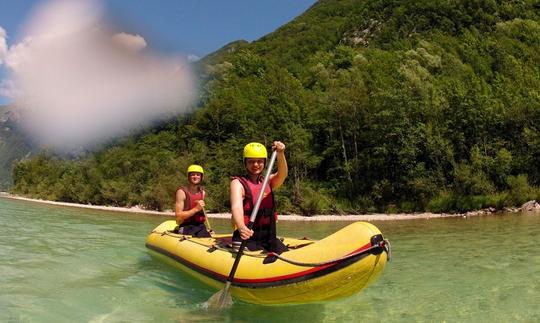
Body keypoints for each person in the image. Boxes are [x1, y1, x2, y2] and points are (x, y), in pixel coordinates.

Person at [230, 141, 288, 253]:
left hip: (267, 236)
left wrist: (280, 154)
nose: (255, 165)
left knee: (286, 255)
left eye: (259, 161)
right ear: (245, 163)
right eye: (251, 161)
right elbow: (236, 207)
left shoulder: (268, 181)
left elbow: (283, 174)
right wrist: (242, 228)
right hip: (246, 236)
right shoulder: (237, 183)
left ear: (265, 163)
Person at [175, 164, 211, 238]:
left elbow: (202, 212)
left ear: (201, 177)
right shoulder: (181, 192)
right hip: (186, 226)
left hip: (200, 226)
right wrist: (196, 209)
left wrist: (209, 229)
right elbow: (178, 216)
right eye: (193, 175)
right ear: (188, 177)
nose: (195, 177)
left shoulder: (202, 193)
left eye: (198, 175)